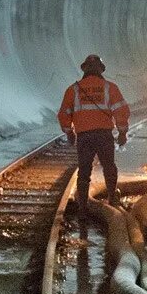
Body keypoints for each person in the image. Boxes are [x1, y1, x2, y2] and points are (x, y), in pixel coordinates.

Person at [57, 54, 130, 213]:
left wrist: (69, 132)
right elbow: (121, 110)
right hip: (104, 136)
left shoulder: (73, 89)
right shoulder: (109, 87)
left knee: (84, 171)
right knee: (109, 167)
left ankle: (82, 207)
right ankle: (112, 199)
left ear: (84, 70)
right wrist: (122, 132)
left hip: (84, 137)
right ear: (101, 70)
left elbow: (64, 114)